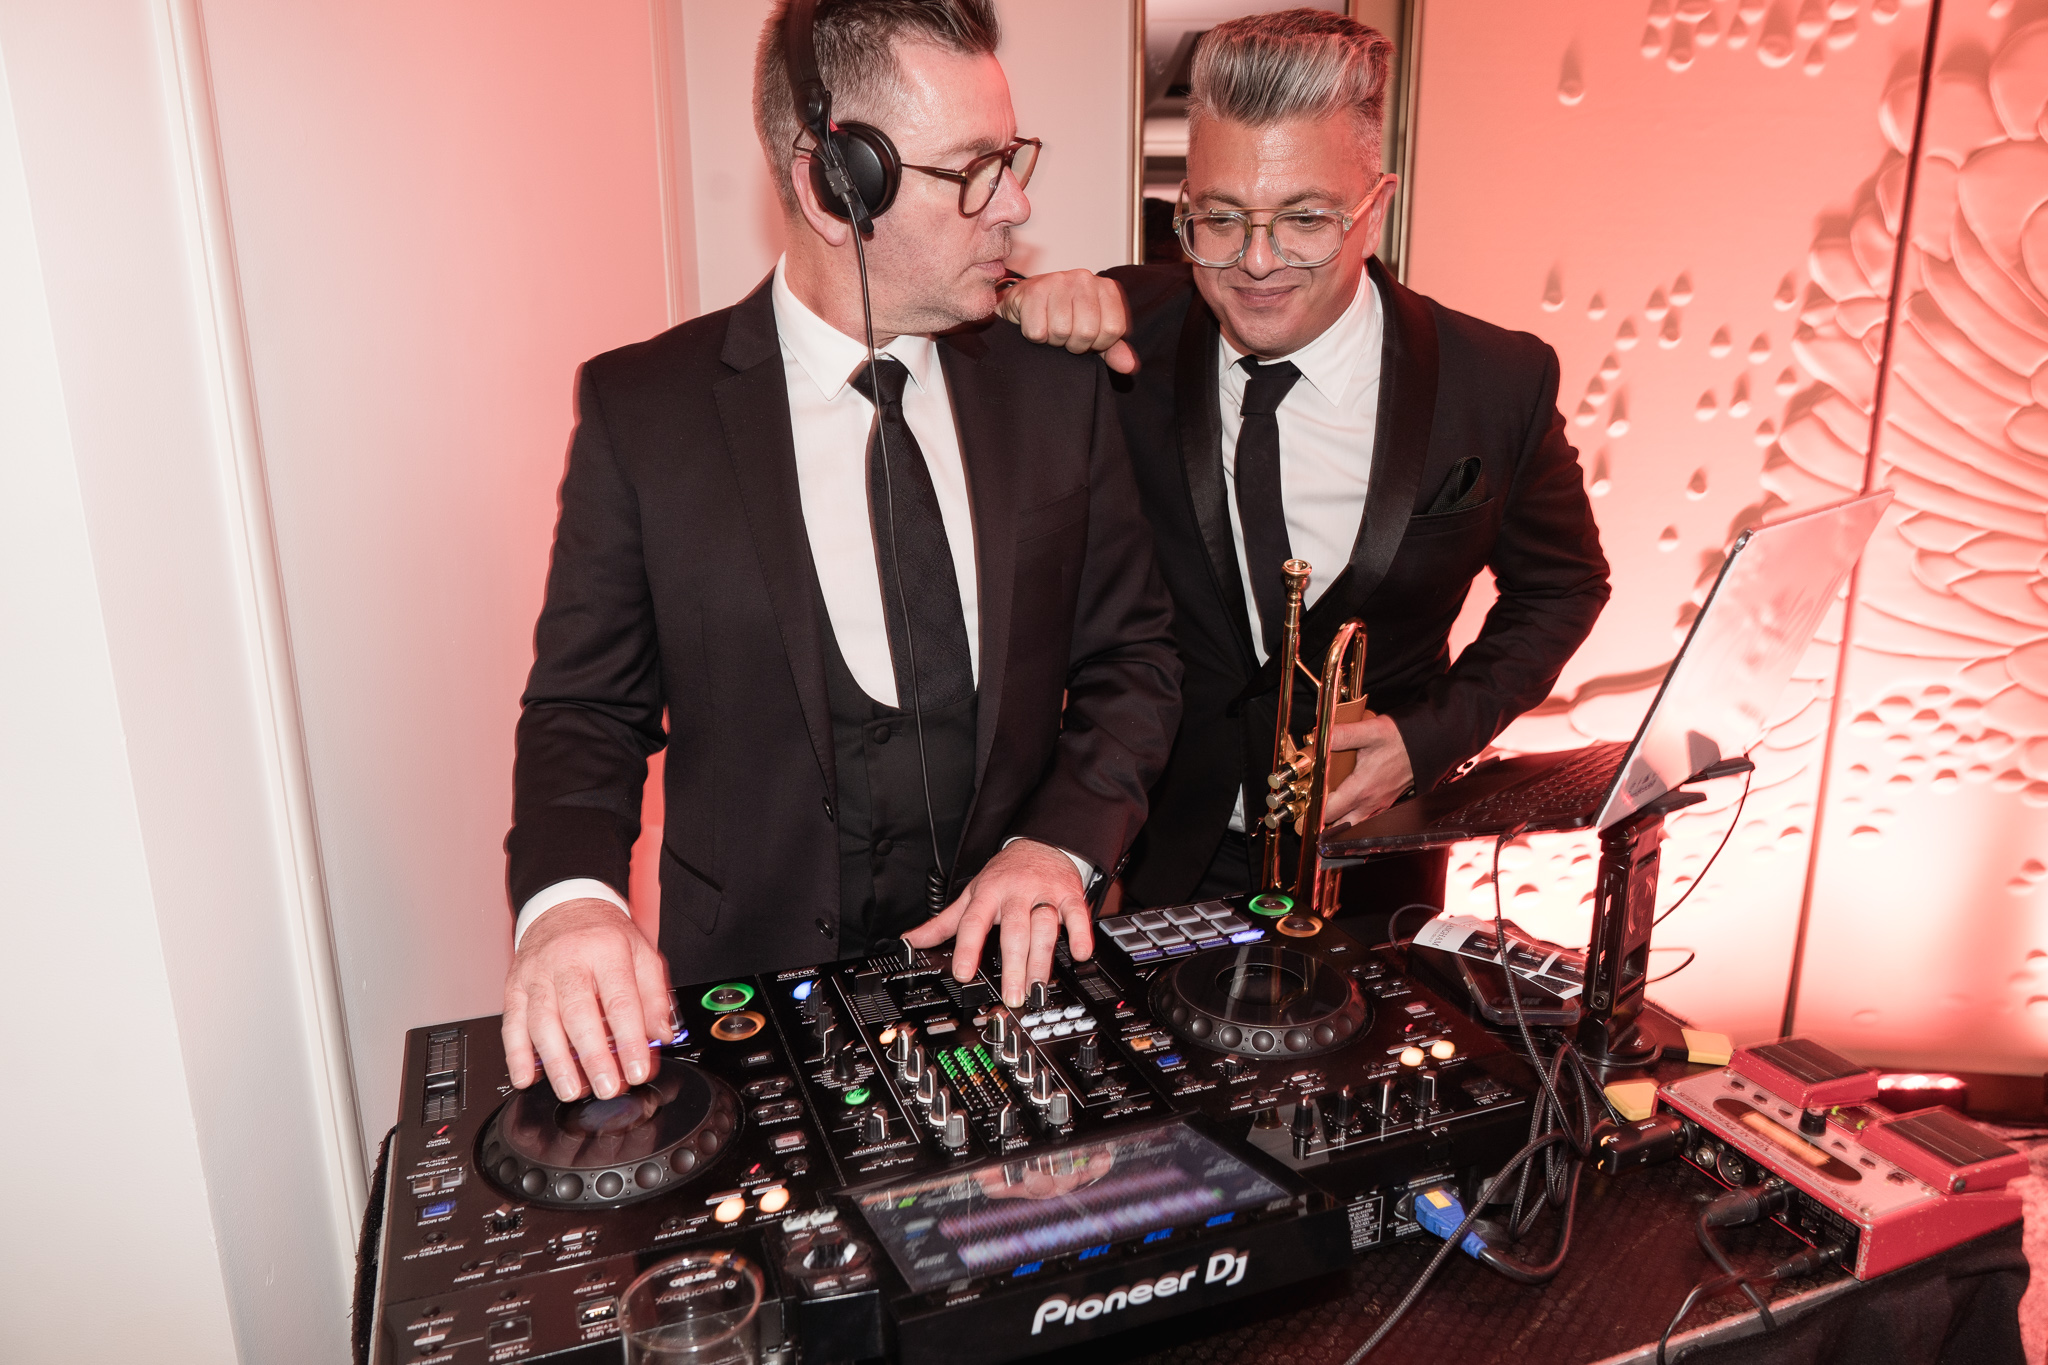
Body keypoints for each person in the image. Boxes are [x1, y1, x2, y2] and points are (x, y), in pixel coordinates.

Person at [500, 0, 1180, 1104]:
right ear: (834, 186)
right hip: (749, 1012)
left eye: (1011, 160)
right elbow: (586, 709)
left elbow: (1135, 662)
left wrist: (1058, 845)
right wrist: (570, 901)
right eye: (973, 171)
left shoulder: (1059, 387)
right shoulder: (644, 411)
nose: (1016, 204)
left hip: (1019, 995)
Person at [999, 10, 1608, 927]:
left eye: (1305, 219)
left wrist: (1424, 742)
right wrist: (1014, 307)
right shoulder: (1121, 332)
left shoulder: (1499, 380)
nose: (1256, 261)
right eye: (1219, 218)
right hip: (1157, 855)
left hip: (1374, 861)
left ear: (1376, 207)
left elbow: (1563, 587)